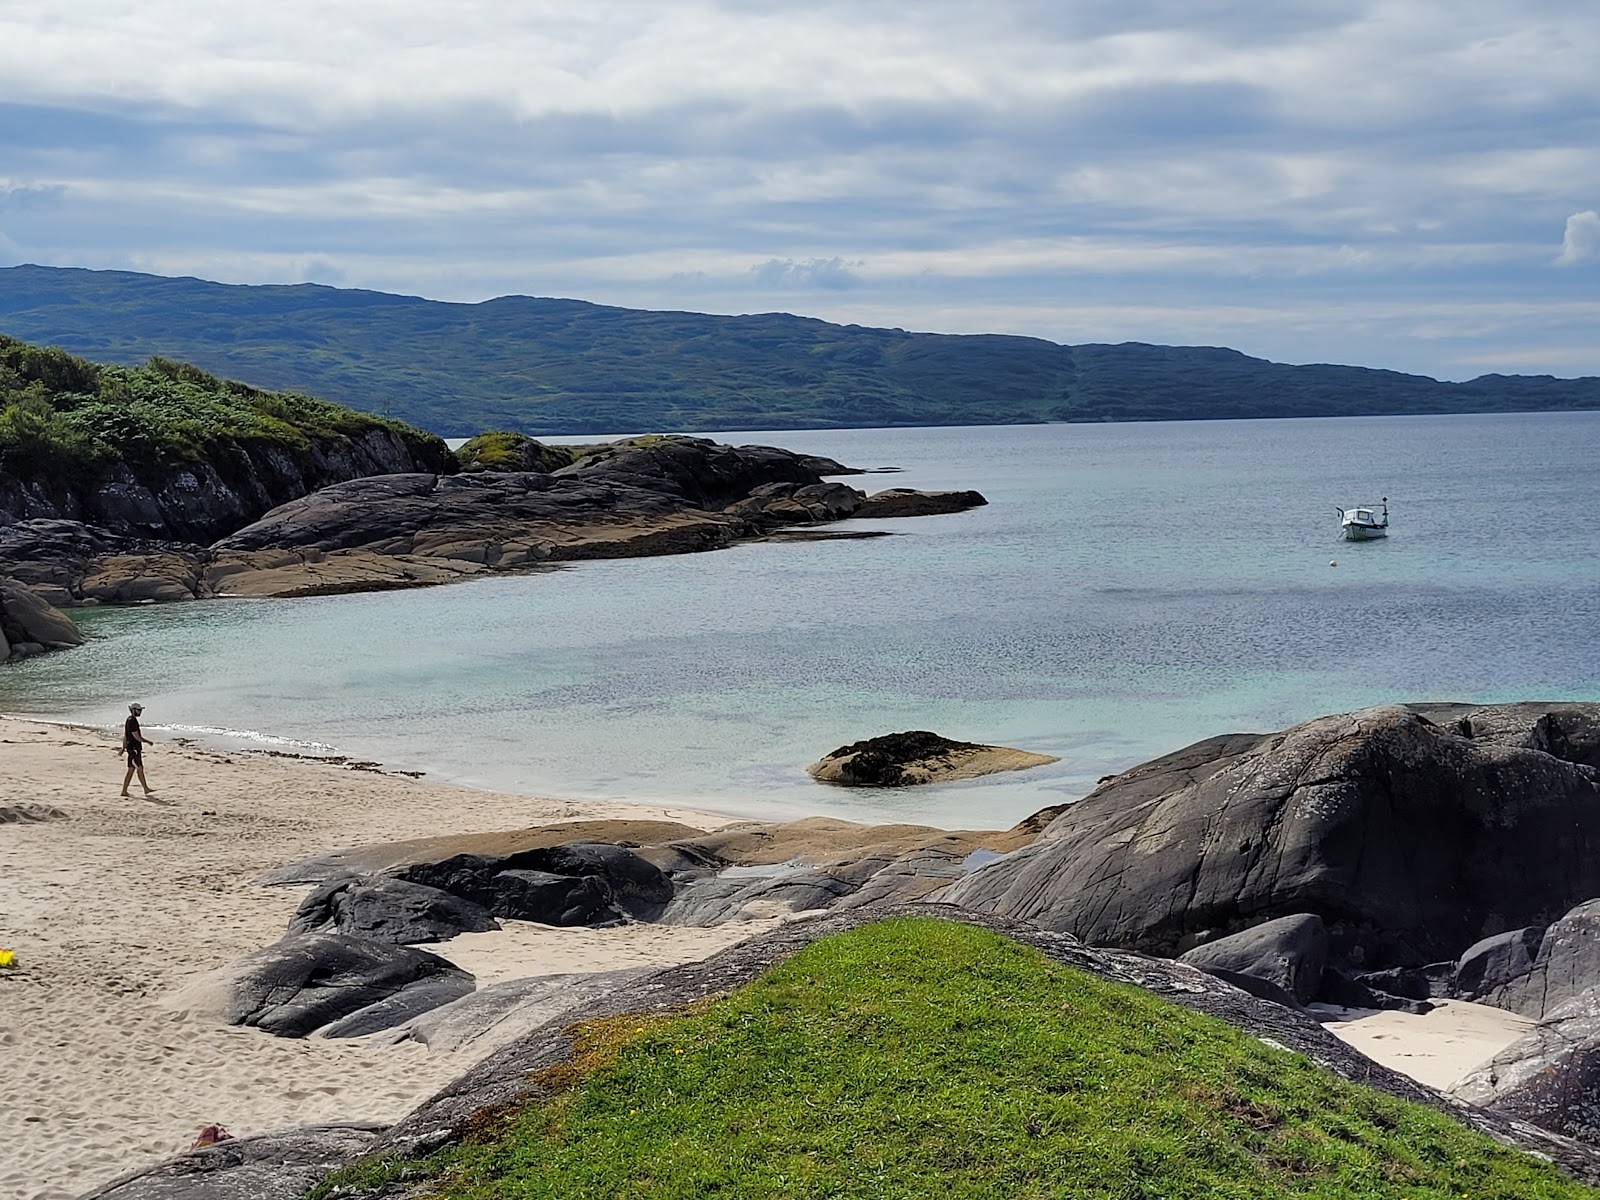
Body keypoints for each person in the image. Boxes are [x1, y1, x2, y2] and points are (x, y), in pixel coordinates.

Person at [120, 702, 156, 797]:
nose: (140, 712)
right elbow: (136, 736)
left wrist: (123, 748)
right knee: (136, 769)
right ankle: (126, 790)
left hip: (132, 749)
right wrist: (147, 741)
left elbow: (126, 736)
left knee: (135, 769)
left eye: (140, 710)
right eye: (138, 710)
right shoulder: (132, 721)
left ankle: (145, 789)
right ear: (133, 710)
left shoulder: (129, 720)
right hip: (134, 750)